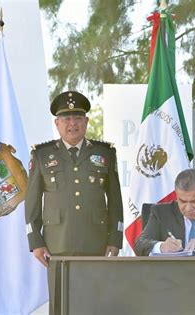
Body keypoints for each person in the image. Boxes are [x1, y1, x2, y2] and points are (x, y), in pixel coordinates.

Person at [25, 91, 123, 315]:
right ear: (57, 124)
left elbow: (115, 200)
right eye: (66, 119)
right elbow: (31, 203)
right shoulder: (42, 155)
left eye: (78, 118)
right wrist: (35, 241)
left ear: (86, 122)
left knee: (95, 305)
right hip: (57, 246)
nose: (72, 124)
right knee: (61, 306)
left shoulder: (105, 153)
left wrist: (115, 238)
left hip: (95, 244)